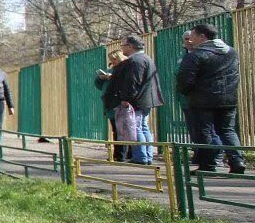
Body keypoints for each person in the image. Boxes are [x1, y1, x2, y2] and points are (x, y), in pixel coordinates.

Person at [177, 23, 245, 174]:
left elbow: (184, 79)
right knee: (228, 130)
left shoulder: (195, 55)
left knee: (204, 132)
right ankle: (237, 161)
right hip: (228, 99)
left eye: (193, 36)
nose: (190, 40)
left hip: (202, 100)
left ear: (202, 37)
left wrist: (187, 92)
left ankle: (208, 165)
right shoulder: (231, 52)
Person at [105, 36, 164, 165]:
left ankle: (141, 157)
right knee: (143, 127)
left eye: (123, 45)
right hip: (146, 99)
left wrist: (126, 99)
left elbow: (132, 82)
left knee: (135, 127)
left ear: (130, 46)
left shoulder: (135, 61)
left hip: (136, 100)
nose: (122, 48)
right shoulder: (146, 58)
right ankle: (147, 156)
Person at [94, 49, 128, 161]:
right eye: (110, 59)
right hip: (110, 103)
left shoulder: (124, 69)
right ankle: (119, 155)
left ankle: (121, 155)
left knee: (121, 130)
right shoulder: (111, 70)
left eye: (114, 59)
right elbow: (100, 86)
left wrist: (112, 78)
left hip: (118, 102)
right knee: (116, 129)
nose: (112, 61)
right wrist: (100, 78)